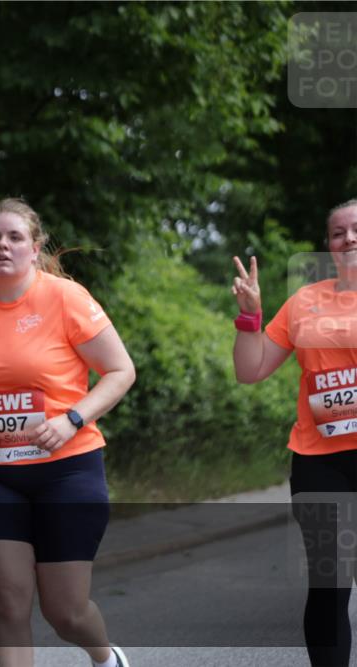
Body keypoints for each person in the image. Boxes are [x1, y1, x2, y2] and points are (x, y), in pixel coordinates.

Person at [0, 198, 136, 667]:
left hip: (66, 471)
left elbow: (120, 371)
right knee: (8, 601)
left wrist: (72, 419)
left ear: (35, 246)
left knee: (64, 611)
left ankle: (105, 657)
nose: (2, 245)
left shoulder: (66, 298)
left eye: (14, 237)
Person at [231, 199, 357, 667]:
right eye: (339, 233)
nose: (349, 239)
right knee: (330, 586)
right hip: (321, 461)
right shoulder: (306, 301)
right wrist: (250, 316)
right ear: (328, 245)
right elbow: (251, 369)